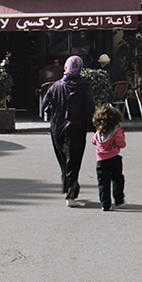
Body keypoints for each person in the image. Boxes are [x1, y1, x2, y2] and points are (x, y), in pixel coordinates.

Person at [45, 55, 94, 205]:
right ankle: (70, 193)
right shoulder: (84, 87)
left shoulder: (56, 86)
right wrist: (94, 128)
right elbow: (89, 111)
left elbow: (45, 105)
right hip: (76, 128)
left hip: (57, 128)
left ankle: (70, 187)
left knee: (63, 160)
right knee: (74, 160)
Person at [91, 103, 127, 211]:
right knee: (117, 178)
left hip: (101, 160)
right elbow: (121, 144)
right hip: (114, 158)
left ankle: (105, 204)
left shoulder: (98, 133)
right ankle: (118, 198)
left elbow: (93, 141)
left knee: (103, 183)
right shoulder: (117, 131)